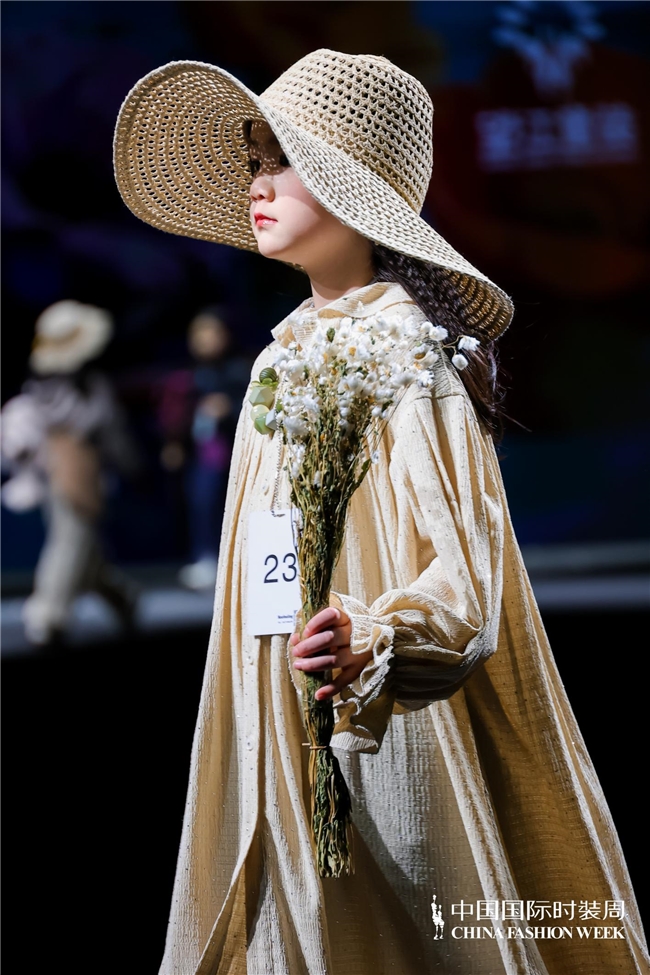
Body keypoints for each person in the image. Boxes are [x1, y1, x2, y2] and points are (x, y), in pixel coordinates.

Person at [114, 51, 649, 974]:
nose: (258, 185)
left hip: (381, 731)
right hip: (271, 711)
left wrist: (370, 641)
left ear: (350, 185)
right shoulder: (277, 361)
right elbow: (263, 552)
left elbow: (465, 584)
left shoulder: (410, 359)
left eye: (283, 161)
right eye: (254, 162)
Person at [1, 300, 141, 646]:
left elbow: (111, 433)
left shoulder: (90, 386)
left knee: (73, 539)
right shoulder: (40, 389)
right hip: (54, 469)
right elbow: (24, 433)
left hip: (84, 470)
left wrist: (129, 464)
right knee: (76, 543)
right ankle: (113, 600)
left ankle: (51, 615)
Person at [158, 307, 250, 590]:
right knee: (201, 502)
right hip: (202, 455)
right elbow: (177, 416)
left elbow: (257, 410)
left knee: (233, 505)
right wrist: (174, 442)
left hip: (235, 453)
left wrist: (229, 408)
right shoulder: (189, 375)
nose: (204, 338)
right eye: (198, 332)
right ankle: (206, 556)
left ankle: (240, 560)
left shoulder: (241, 371)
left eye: (211, 331)